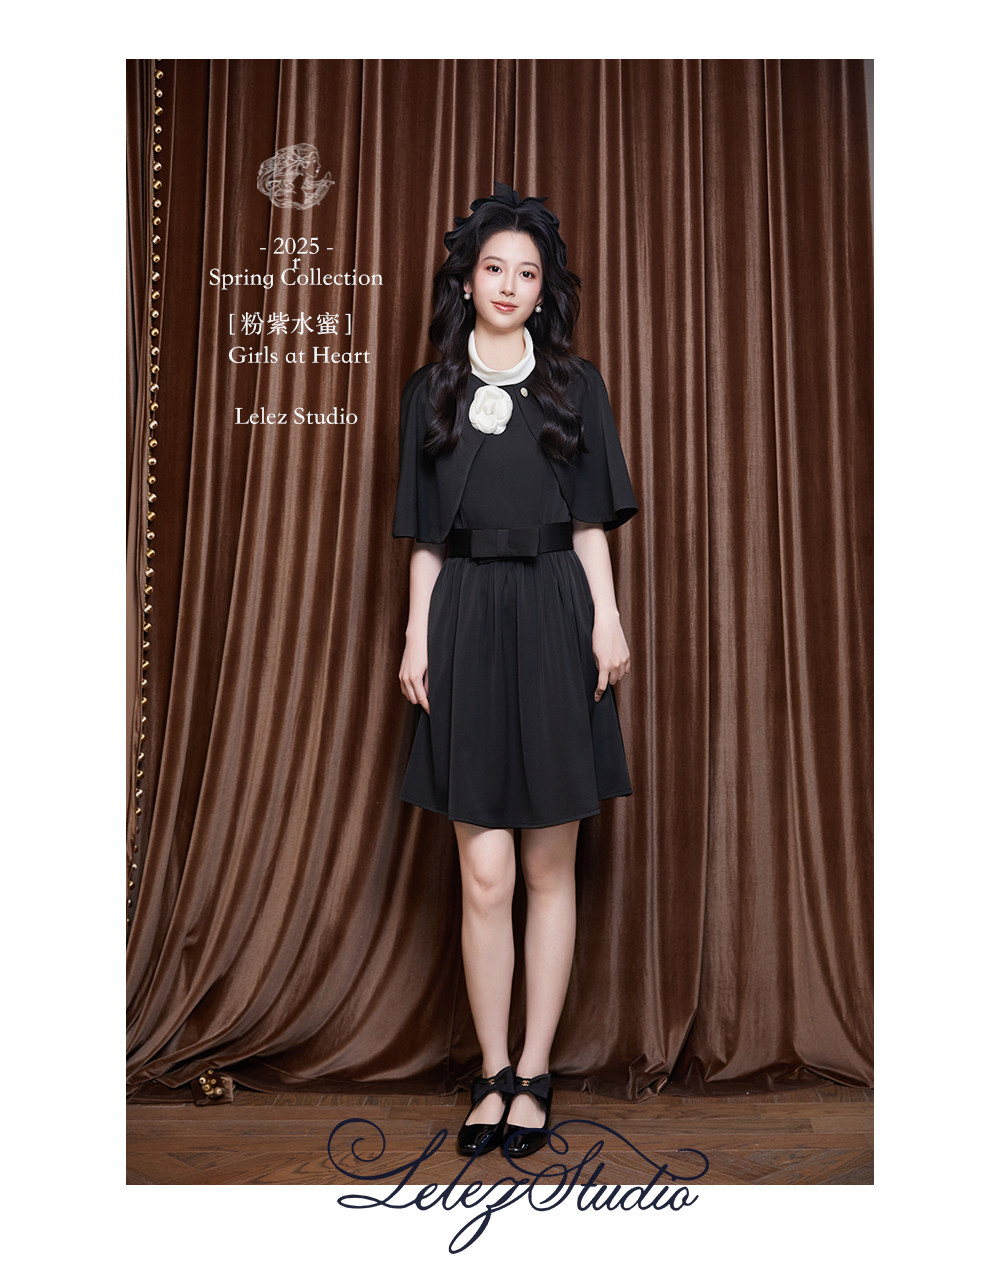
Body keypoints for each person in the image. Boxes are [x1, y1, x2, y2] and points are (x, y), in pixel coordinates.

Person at [393, 183, 637, 1158]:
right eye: (493, 267)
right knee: (483, 872)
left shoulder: (576, 386)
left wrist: (607, 620)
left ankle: (535, 1072)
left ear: (543, 289)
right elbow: (424, 537)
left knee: (546, 864)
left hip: (553, 613)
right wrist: (415, 637)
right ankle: (491, 1071)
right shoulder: (430, 391)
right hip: (463, 617)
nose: (508, 284)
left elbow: (589, 523)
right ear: (466, 279)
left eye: (526, 272)